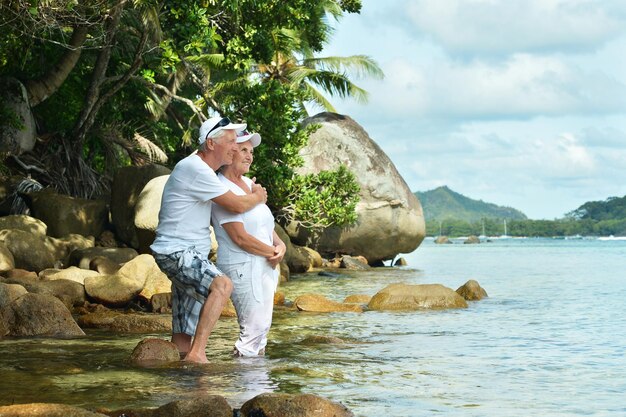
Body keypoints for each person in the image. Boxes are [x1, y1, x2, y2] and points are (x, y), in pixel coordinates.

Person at [151, 116, 268, 364]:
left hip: (184, 254)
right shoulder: (195, 168)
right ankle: (198, 354)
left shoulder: (202, 171)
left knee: (182, 336)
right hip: (179, 253)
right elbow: (236, 205)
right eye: (231, 142)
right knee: (222, 286)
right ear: (211, 144)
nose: (236, 148)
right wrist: (258, 196)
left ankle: (180, 372)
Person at [212, 130, 286, 357]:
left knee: (261, 331)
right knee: (252, 331)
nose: (249, 156)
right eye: (243, 150)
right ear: (230, 152)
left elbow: (264, 225)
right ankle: (245, 387)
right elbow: (239, 237)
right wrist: (272, 252)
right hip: (242, 265)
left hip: (263, 264)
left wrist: (280, 244)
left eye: (251, 152)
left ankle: (256, 387)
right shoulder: (222, 188)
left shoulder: (249, 185)